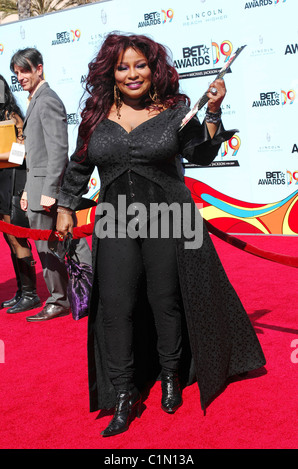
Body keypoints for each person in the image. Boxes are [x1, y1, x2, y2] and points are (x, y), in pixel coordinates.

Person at [56, 33, 266, 437]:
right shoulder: (96, 116)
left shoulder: (175, 110)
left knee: (165, 300)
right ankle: (122, 392)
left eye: (140, 65)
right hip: (114, 220)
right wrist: (66, 206)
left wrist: (214, 112)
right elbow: (80, 166)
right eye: (123, 67)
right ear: (111, 73)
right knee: (115, 307)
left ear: (153, 70)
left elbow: (200, 153)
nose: (132, 73)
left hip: (168, 217)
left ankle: (170, 375)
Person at [10, 48, 92, 322]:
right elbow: (36, 153)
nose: (20, 77)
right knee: (64, 243)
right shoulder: (36, 100)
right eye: (16, 73)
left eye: (24, 70)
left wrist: (49, 191)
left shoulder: (47, 100)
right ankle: (82, 294)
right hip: (36, 187)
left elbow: (59, 150)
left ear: (39, 68)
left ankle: (61, 299)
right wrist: (26, 191)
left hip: (48, 190)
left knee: (55, 245)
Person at [0, 74, 41, 314]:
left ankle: (30, 294)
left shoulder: (11, 117)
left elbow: (22, 154)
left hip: (12, 180)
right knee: (8, 240)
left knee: (17, 238)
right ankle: (20, 291)